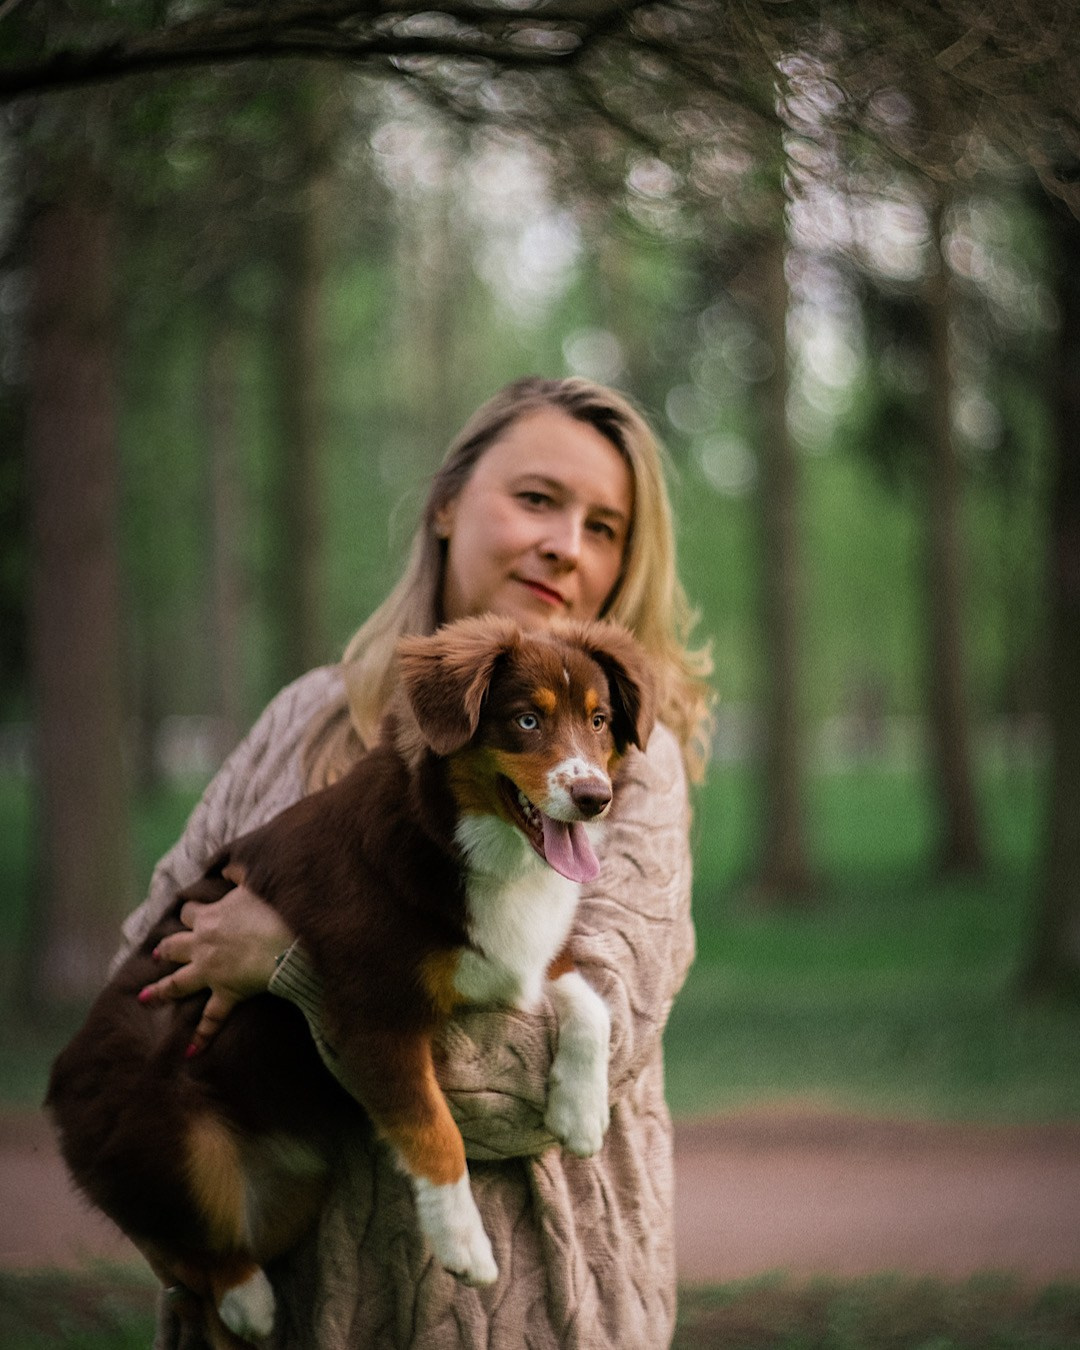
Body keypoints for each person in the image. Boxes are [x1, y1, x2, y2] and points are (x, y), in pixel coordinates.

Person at [119, 376, 713, 1350]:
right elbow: (144, 977)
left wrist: (290, 966)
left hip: (525, 1318)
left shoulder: (624, 773)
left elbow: (551, 1085)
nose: (568, 544)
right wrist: (168, 1192)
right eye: (537, 498)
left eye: (605, 528)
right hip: (277, 1312)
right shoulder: (305, 719)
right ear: (445, 503)